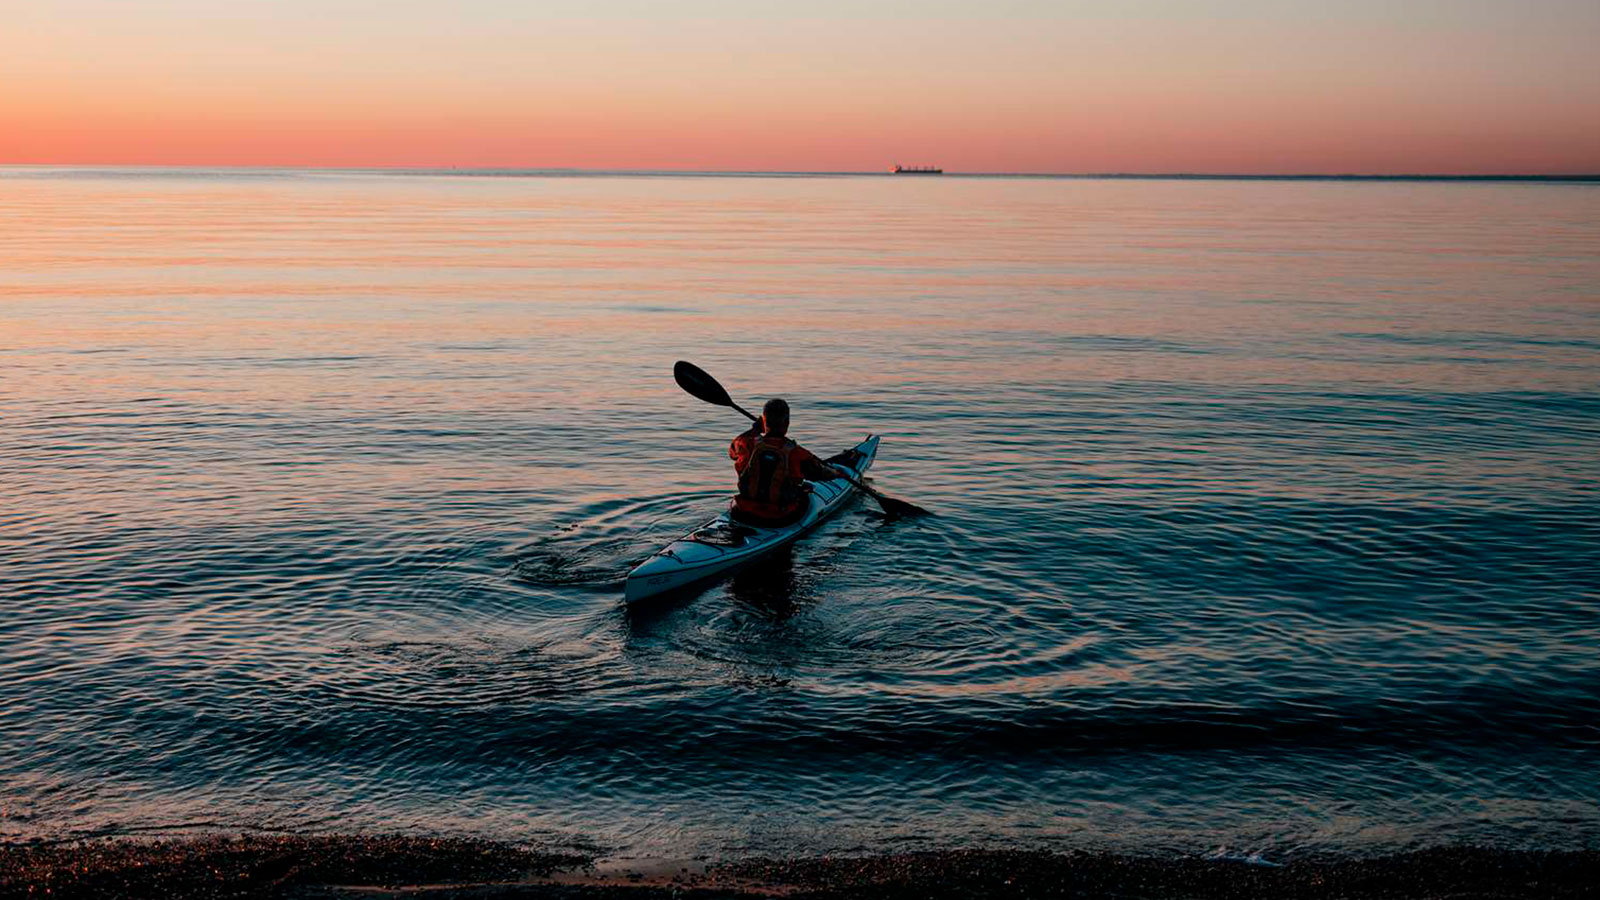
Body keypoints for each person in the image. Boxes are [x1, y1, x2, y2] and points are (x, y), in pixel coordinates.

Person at [729, 398, 841, 527]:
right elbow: (818, 474)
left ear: (763, 420)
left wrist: (755, 430)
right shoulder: (796, 453)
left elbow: (732, 452)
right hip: (781, 518)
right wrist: (836, 473)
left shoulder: (746, 443)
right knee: (805, 493)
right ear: (787, 423)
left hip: (743, 513)